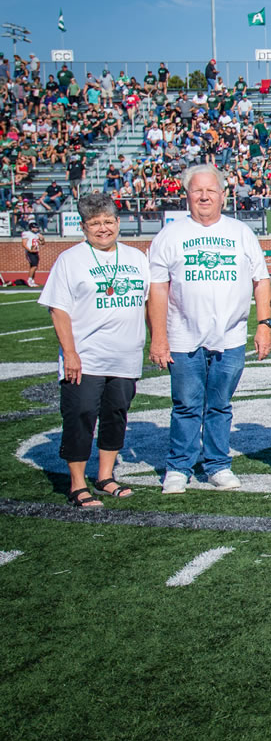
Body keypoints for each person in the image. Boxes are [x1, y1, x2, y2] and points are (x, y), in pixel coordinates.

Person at [147, 164, 271, 495]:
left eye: (211, 190)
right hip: (183, 336)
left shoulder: (241, 232)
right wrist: (158, 338)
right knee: (186, 405)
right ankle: (179, 467)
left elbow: (261, 282)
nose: (204, 196)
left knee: (220, 405)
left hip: (230, 337)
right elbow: (158, 289)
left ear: (223, 195)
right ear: (187, 195)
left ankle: (218, 464)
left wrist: (264, 325)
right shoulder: (170, 235)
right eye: (197, 190)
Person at [39, 192, 151, 509]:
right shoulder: (70, 259)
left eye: (107, 221)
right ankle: (77, 483)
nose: (103, 228)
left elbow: (147, 302)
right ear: (84, 227)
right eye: (94, 223)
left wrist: (156, 339)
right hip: (86, 357)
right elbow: (58, 310)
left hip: (126, 357)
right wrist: (70, 353)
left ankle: (105, 476)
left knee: (116, 415)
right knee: (81, 415)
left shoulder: (135, 258)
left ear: (118, 223)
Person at [20, 220, 43, 287]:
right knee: (34, 266)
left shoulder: (36, 235)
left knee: (34, 267)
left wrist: (42, 239)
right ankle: (30, 281)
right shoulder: (27, 234)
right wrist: (30, 250)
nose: (36, 229)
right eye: (34, 228)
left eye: (36, 228)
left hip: (36, 252)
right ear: (31, 228)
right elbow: (24, 244)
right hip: (30, 252)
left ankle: (32, 280)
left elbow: (42, 243)